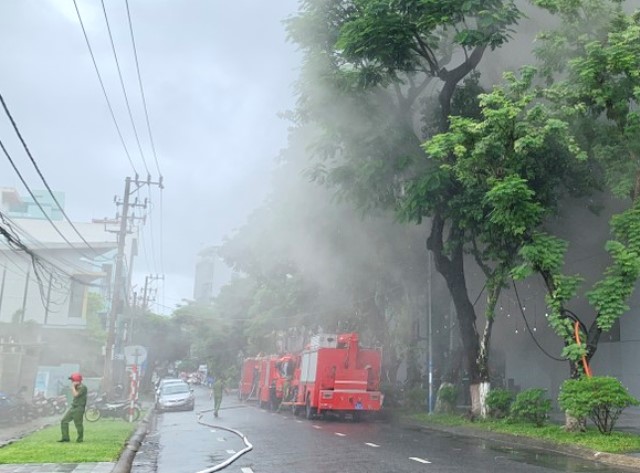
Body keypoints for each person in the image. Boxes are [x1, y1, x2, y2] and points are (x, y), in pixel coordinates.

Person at [58, 372, 87, 443]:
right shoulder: (77, 387)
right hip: (73, 407)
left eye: (73, 380)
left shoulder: (83, 387)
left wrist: (73, 387)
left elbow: (76, 395)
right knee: (64, 421)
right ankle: (65, 438)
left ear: (77, 380)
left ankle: (80, 439)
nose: (72, 381)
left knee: (78, 424)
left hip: (79, 408)